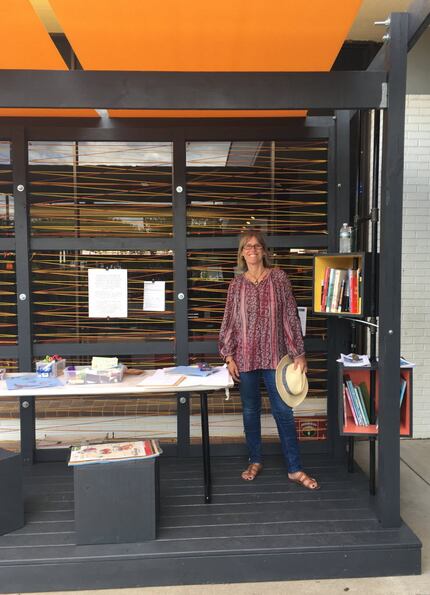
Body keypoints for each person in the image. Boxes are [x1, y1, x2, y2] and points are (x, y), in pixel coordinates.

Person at [219, 230, 319, 490]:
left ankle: (294, 469)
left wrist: (299, 353)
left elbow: (289, 317)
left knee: (283, 412)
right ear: (242, 253)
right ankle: (255, 460)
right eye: (246, 247)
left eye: (256, 246)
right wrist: (229, 356)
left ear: (264, 250)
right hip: (245, 359)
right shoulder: (236, 285)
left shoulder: (279, 278)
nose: (252, 250)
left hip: (277, 359)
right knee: (250, 412)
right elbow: (230, 321)